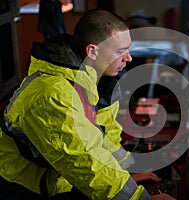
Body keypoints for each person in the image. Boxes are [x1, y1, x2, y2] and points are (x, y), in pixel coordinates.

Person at [0, 9, 175, 200]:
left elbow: (101, 143)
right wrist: (138, 198)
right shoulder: (52, 94)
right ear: (92, 51)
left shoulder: (90, 81)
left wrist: (126, 175)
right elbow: (85, 163)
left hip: (62, 180)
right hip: (21, 190)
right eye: (120, 51)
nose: (129, 58)